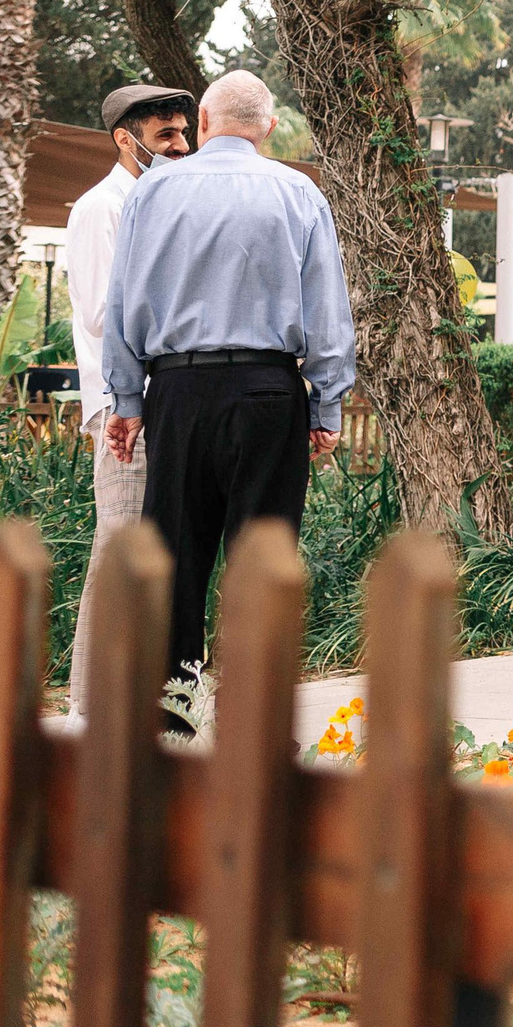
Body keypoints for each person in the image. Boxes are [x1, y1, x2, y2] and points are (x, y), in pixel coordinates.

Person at [102, 70, 354, 698]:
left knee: (176, 560)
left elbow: (123, 302)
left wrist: (128, 399)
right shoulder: (300, 194)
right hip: (269, 392)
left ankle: (173, 717)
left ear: (205, 122)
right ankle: (255, 724)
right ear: (269, 128)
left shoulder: (151, 193)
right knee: (263, 561)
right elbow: (327, 314)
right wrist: (326, 406)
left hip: (179, 393)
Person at [63, 83, 195, 711]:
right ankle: (91, 705)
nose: (181, 145)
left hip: (164, 403)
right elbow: (97, 312)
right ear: (126, 138)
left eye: (184, 132)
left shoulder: (165, 203)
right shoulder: (100, 208)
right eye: (166, 134)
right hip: (122, 407)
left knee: (157, 552)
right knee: (118, 547)